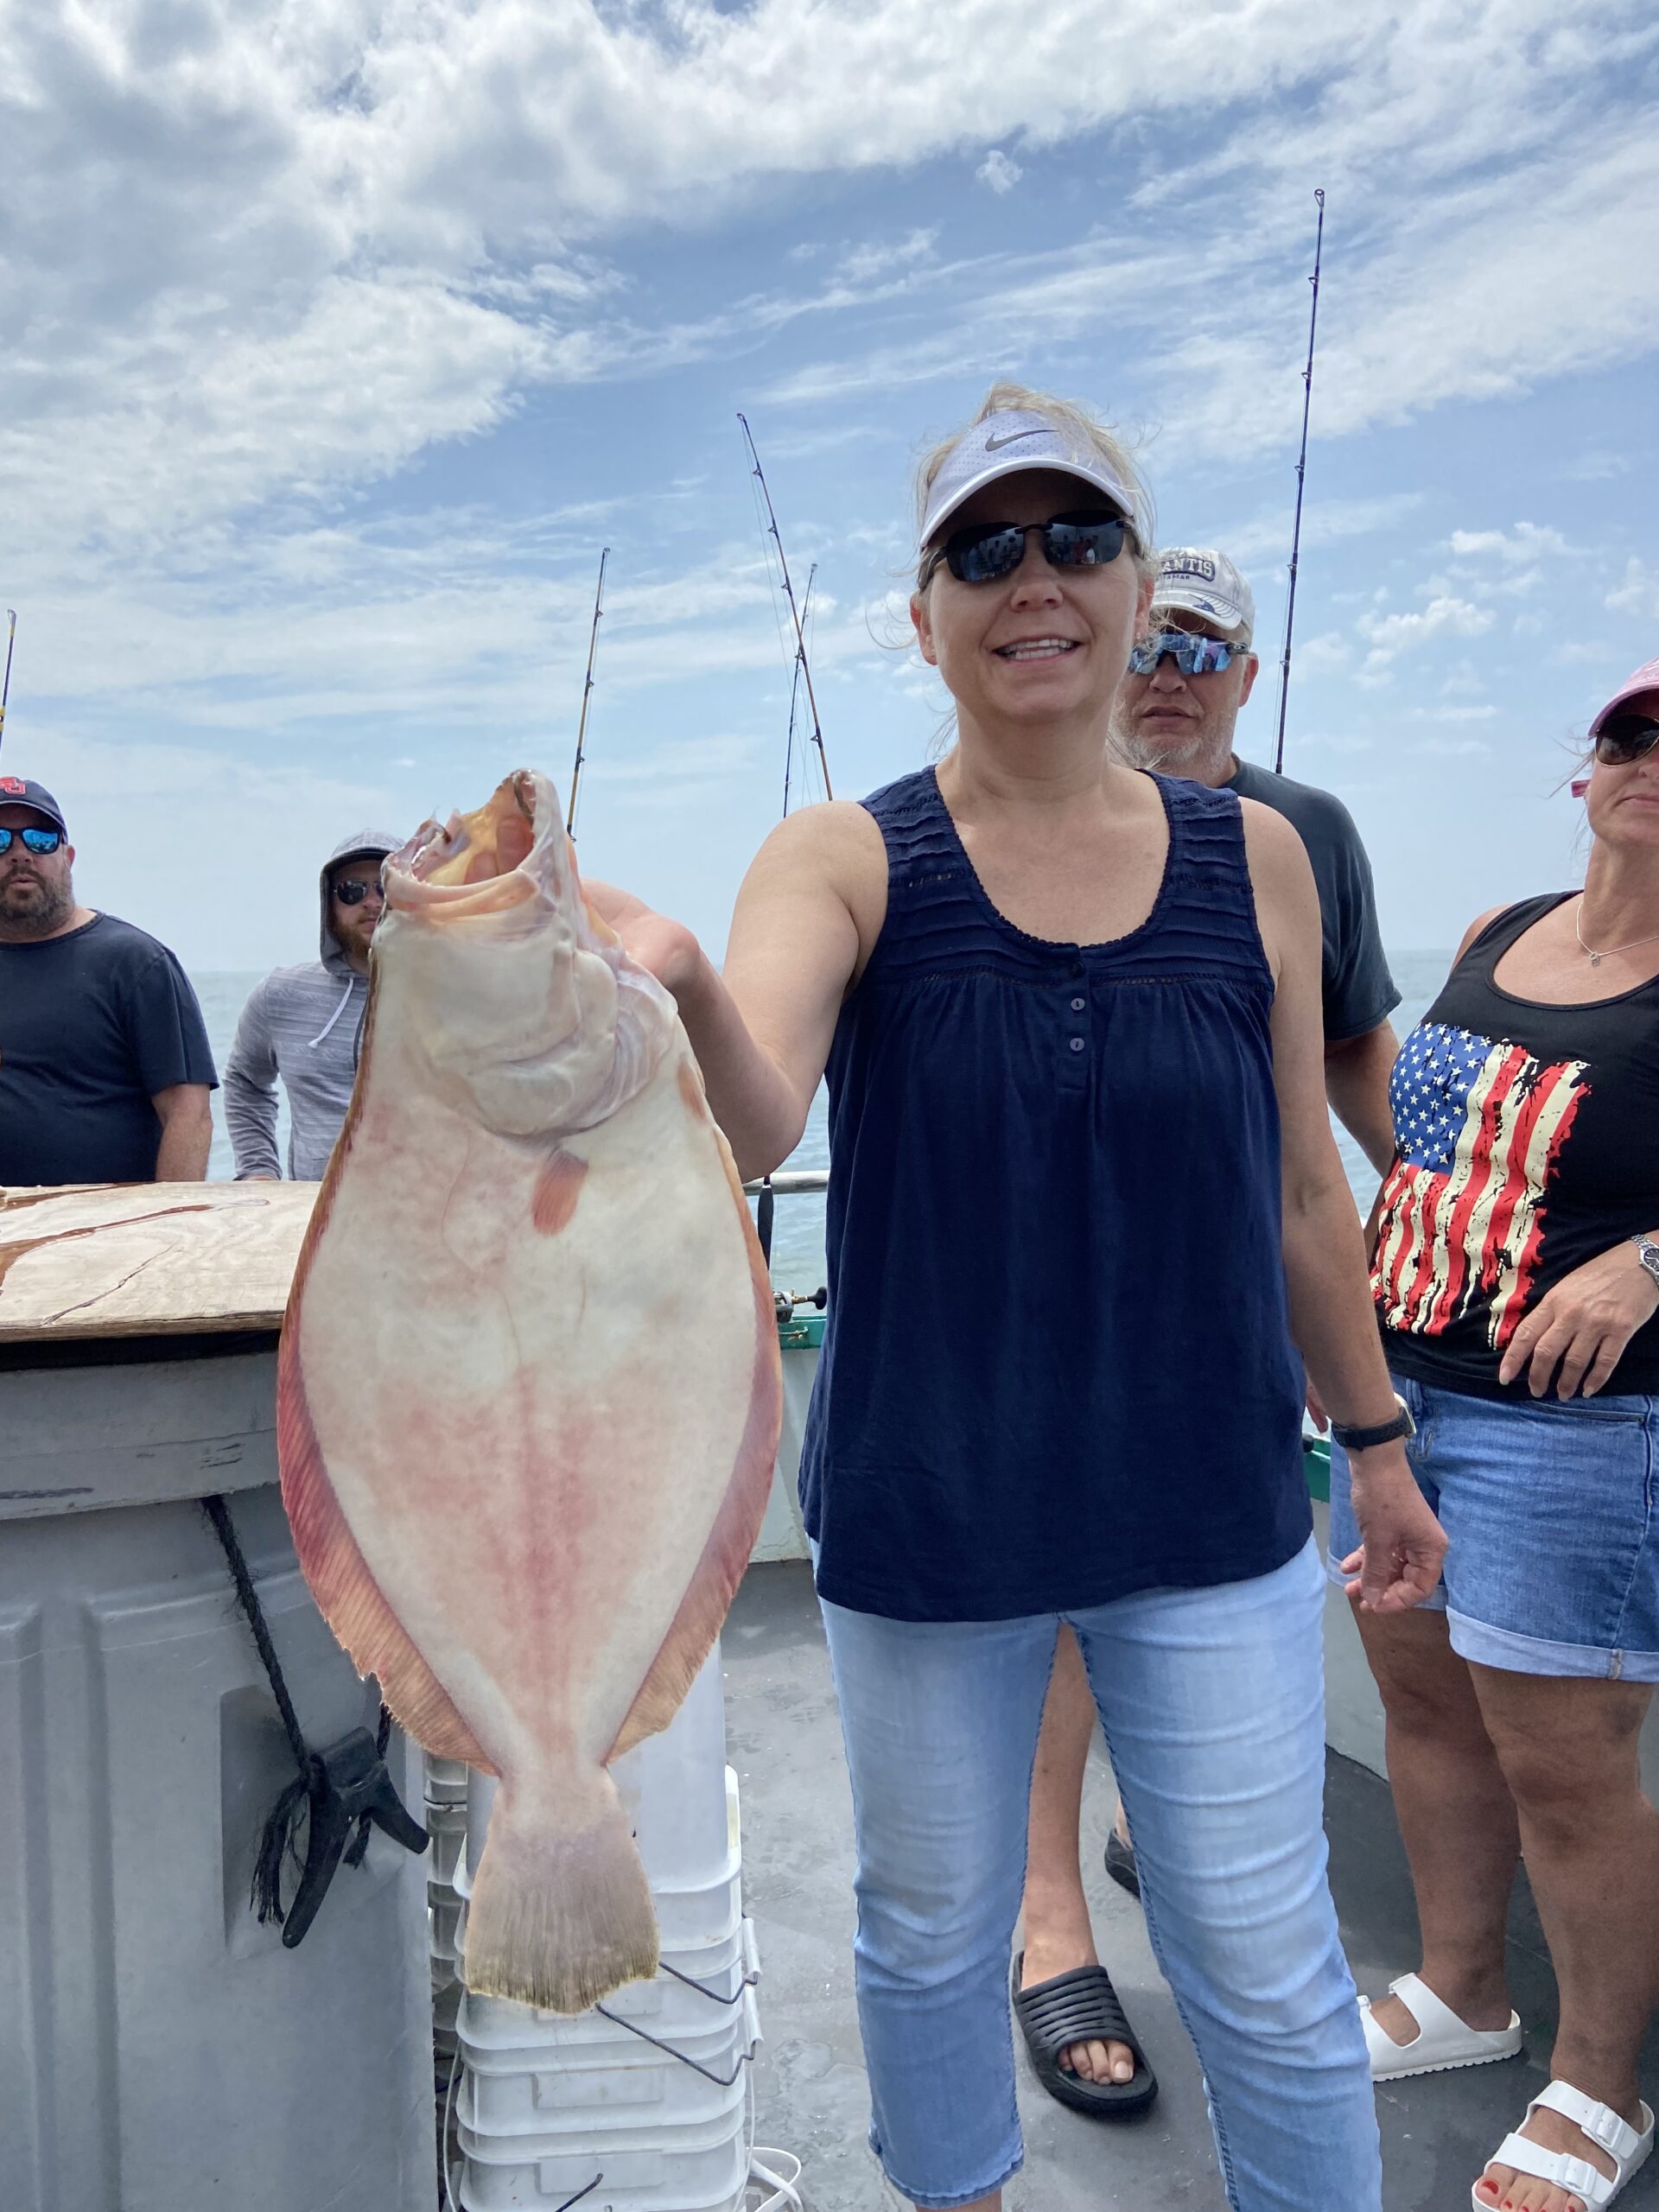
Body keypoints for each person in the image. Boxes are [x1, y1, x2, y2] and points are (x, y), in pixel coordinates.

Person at [587, 385, 1445, 2212]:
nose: (1031, 578)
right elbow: (759, 1111)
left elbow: (1309, 1181)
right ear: (926, 617)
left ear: (1140, 592)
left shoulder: (1260, 860)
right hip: (929, 1506)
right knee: (924, 1929)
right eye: (984, 548)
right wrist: (668, 978)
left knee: (1270, 1958)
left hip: (1211, 1507)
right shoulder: (841, 855)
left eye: (1076, 539)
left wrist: (1374, 1443)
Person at [1012, 546, 1405, 2107]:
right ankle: (1051, 1919)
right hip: (1039, 1317)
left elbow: (1356, 1068)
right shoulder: (1003, 815)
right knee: (1054, 1607)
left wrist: (1461, 1220)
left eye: (1205, 644)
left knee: (1198, 1591)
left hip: (1231, 1319)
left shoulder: (1301, 835)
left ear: (1247, 671)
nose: (1169, 666)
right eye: (1148, 640)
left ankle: (1150, 1838)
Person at [1334, 657, 1659, 2212]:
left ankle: (1598, 2086)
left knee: (1568, 1766)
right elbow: (1427, 1137)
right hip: (1406, 1402)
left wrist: (1651, 1256)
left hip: (1577, 1433)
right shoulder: (1493, 934)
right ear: (1584, 766)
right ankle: (1463, 1988)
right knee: (1425, 1706)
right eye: (1630, 733)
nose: (1651, 760)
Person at [0, 775, 215, 1185]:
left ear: (69, 857)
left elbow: (189, 1113)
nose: (21, 854)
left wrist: (169, 1224)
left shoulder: (137, 962)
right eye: (0, 841)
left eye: (40, 839)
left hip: (101, 1234)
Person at [223, 830, 400, 1179]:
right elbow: (245, 1082)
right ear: (329, 903)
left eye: (387, 887)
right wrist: (258, 1170)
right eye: (352, 890)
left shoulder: (449, 999)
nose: (371, 902)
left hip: (427, 1217)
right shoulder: (280, 995)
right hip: (310, 1213)